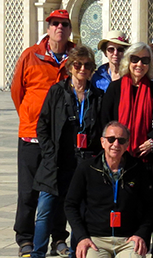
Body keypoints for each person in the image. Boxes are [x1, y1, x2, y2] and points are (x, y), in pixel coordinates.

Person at [10, 9, 75, 257]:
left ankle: (59, 237)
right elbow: (18, 93)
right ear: (48, 28)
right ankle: (25, 238)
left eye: (64, 24)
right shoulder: (31, 55)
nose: (59, 27)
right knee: (28, 191)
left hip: (62, 139)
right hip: (32, 136)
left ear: (70, 29)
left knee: (60, 189)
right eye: (55, 23)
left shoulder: (74, 57)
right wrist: (30, 118)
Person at [30, 46, 103, 258]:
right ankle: (37, 253)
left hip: (83, 162)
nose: (82, 69)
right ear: (70, 67)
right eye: (78, 64)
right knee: (45, 211)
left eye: (87, 65)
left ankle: (74, 254)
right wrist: (48, 152)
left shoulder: (97, 96)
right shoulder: (57, 91)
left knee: (79, 211)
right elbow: (42, 125)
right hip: (56, 162)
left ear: (92, 69)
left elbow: (101, 129)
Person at [64, 121, 153, 258]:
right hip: (95, 240)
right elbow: (70, 205)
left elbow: (150, 206)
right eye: (111, 139)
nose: (116, 144)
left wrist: (141, 234)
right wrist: (82, 237)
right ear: (102, 142)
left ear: (127, 144)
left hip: (128, 239)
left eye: (121, 140)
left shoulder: (138, 168)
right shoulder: (86, 168)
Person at [100, 41, 153, 160]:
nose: (139, 64)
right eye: (135, 59)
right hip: (118, 153)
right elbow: (104, 119)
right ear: (128, 61)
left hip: (145, 155)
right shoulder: (115, 88)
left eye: (145, 60)